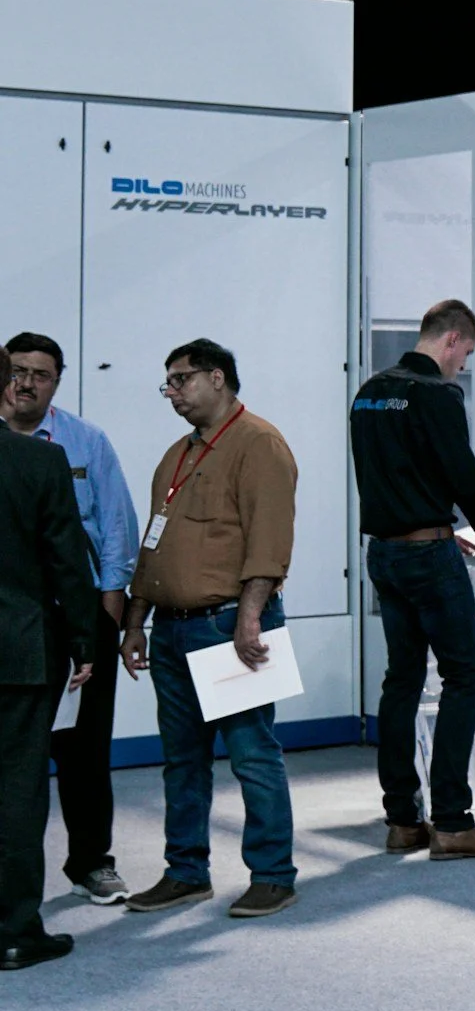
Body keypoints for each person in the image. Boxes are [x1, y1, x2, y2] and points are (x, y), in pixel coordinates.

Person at [122, 339, 301, 920]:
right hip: (172, 630)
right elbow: (153, 545)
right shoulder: (177, 455)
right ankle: (185, 872)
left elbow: (269, 543)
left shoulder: (259, 443)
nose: (172, 393)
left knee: (252, 755)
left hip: (229, 626)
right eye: (168, 384)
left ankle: (273, 875)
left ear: (217, 377)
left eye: (181, 380)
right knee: (183, 761)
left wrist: (250, 620)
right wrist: (135, 621)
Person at [350, 299, 475, 861]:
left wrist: (445, 525)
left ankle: (402, 820)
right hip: (428, 556)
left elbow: (398, 473)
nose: (463, 365)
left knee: (401, 681)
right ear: (451, 339)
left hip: (385, 554)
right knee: (463, 678)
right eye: (465, 354)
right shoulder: (437, 394)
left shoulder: (370, 392)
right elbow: (462, 472)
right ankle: (452, 822)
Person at [4, 332, 140, 905]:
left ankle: (91, 862)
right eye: (17, 370)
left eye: (41, 374)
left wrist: (108, 608)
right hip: (12, 620)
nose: (26, 383)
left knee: (84, 749)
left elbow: (116, 525)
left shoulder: (86, 441)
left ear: (57, 383)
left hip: (76, 618)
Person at [0, 420, 102, 969]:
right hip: (20, 648)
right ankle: (15, 933)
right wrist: (84, 639)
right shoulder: (39, 459)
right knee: (18, 792)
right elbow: (67, 558)